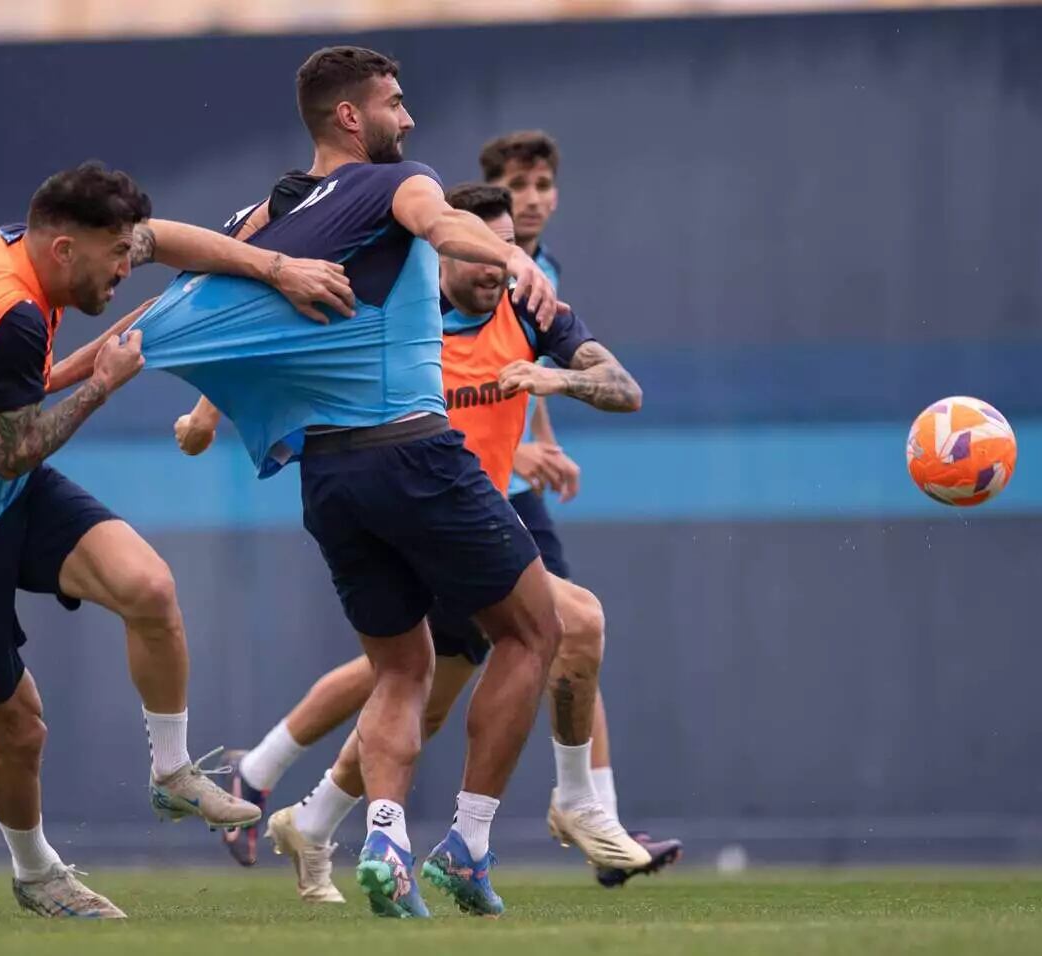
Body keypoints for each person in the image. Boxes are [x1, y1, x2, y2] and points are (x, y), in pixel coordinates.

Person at [135, 46, 561, 919]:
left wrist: (206, 416)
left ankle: (385, 841)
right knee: (534, 635)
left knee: (401, 669)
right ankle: (469, 846)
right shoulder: (400, 184)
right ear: (350, 117)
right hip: (415, 453)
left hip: (328, 478)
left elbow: (232, 311)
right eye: (396, 104)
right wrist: (512, 259)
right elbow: (442, 225)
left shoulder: (275, 213)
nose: (408, 120)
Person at [0, 161, 355, 919]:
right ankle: (35, 872)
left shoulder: (22, 248)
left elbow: (165, 242)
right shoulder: (10, 314)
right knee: (23, 731)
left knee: (149, 588)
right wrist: (102, 383)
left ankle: (171, 772)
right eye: (117, 257)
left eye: (132, 254)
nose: (128, 270)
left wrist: (276, 265)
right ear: (64, 249)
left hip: (3, 495)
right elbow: (11, 448)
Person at [177, 184, 673, 908]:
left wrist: (553, 379)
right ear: (442, 248)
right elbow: (278, 334)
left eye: (508, 254)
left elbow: (624, 388)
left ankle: (311, 819)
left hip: (465, 514)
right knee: (570, 624)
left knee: (414, 688)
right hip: (415, 505)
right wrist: (202, 412)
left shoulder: (530, 309)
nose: (495, 268)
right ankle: (566, 807)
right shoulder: (400, 307)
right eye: (481, 251)